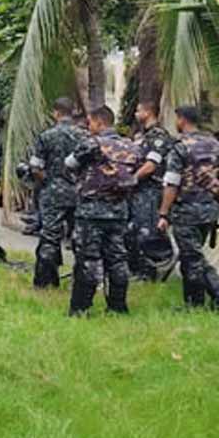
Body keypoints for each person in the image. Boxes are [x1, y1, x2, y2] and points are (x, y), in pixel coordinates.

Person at [158, 105, 219, 312]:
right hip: (209, 209)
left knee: (194, 259)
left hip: (186, 211)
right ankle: (194, 303)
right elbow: (218, 179)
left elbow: (172, 183)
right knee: (190, 257)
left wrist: (163, 213)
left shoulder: (179, 147)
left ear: (182, 120)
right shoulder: (214, 144)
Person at [65, 106, 140, 315]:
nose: (88, 127)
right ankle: (117, 307)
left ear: (99, 122)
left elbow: (69, 163)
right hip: (119, 211)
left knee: (88, 259)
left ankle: (81, 308)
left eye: (90, 122)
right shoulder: (131, 145)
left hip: (91, 211)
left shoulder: (92, 143)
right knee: (117, 259)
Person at [27, 98, 86, 288]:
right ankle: (81, 281)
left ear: (56, 113)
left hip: (53, 192)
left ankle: (44, 282)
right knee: (81, 239)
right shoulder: (84, 136)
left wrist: (47, 180)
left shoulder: (47, 136)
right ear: (73, 112)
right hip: (79, 193)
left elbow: (35, 167)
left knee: (50, 237)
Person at [129, 101, 175, 280]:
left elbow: (150, 166)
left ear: (147, 112)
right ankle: (139, 270)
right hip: (140, 191)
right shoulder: (144, 135)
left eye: (138, 110)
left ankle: (152, 270)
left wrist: (130, 179)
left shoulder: (158, 135)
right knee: (136, 229)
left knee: (148, 231)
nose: (135, 114)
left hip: (151, 190)